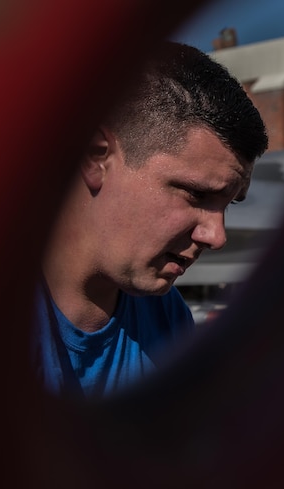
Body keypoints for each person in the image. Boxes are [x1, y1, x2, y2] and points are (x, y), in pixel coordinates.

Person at [32, 41, 269, 399]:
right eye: (197, 194)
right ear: (96, 158)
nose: (217, 236)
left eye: (229, 203)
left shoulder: (166, 316)